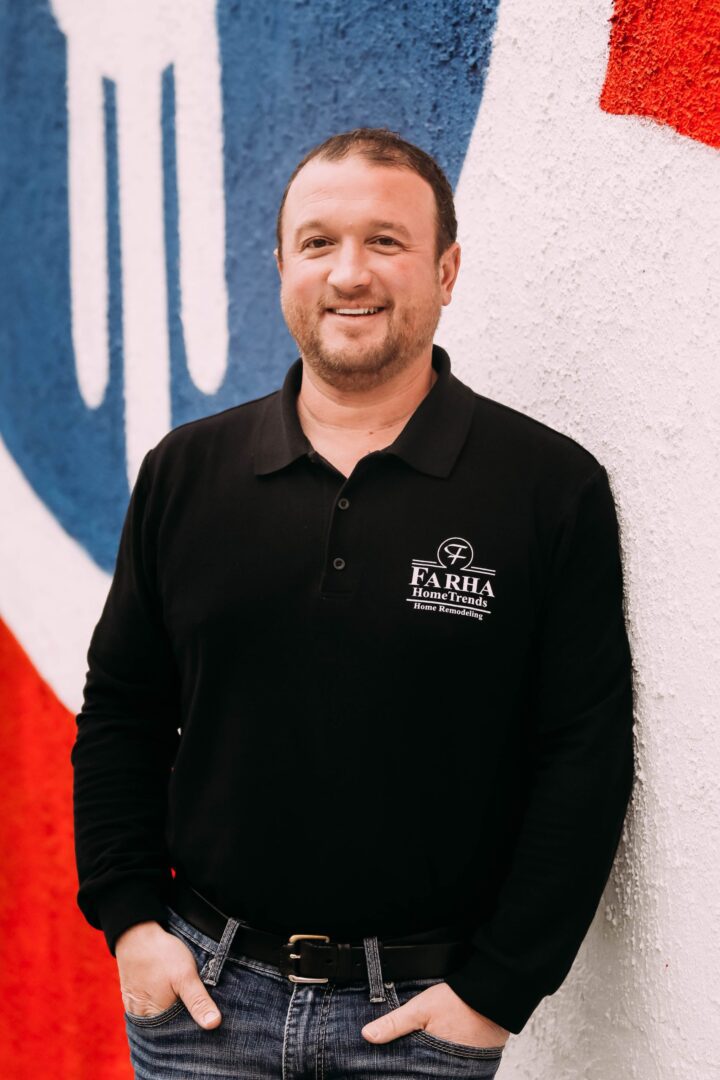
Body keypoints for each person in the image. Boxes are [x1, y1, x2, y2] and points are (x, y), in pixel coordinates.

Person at [72, 127, 634, 1079]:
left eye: (386, 241)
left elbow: (585, 751)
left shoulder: (546, 489)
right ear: (281, 265)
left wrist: (497, 989)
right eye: (319, 242)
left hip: (420, 1020)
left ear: (446, 270)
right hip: (202, 1008)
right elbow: (122, 710)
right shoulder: (187, 473)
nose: (349, 273)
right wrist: (130, 921)